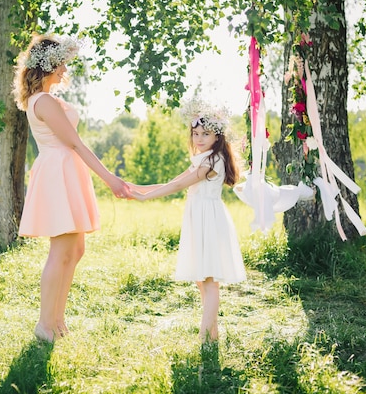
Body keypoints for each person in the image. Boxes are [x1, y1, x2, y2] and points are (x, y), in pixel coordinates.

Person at [13, 34, 131, 343]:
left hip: (66, 171)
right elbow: (74, 142)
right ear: (50, 65)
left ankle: (57, 319)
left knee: (75, 249)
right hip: (58, 173)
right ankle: (44, 324)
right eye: (63, 62)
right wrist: (110, 179)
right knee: (61, 250)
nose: (66, 68)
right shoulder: (43, 101)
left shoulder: (47, 98)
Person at [128, 99, 247, 343]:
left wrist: (145, 198)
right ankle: (212, 335)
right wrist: (136, 188)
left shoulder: (212, 161)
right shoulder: (202, 160)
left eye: (205, 133)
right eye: (195, 134)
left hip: (209, 219)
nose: (199, 138)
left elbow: (181, 185)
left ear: (217, 136)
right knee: (201, 278)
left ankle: (205, 337)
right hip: (199, 217)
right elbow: (173, 182)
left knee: (209, 279)